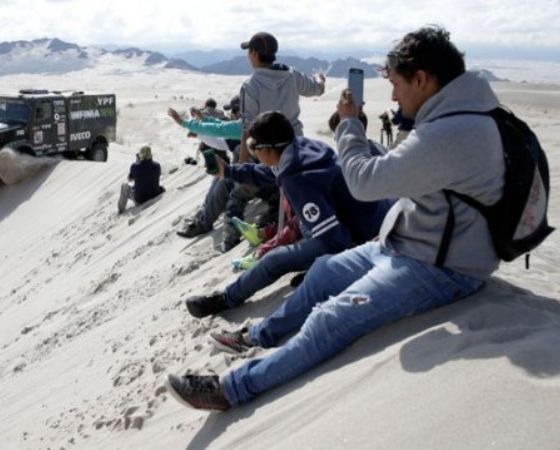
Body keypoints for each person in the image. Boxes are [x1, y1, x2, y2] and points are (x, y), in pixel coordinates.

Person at [165, 25, 505, 412]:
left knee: (331, 317)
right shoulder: (455, 116)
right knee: (323, 273)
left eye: (396, 84)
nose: (393, 95)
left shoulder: (452, 131)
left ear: (423, 79)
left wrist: (348, 123)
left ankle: (232, 388)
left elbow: (364, 182)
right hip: (406, 240)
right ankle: (256, 334)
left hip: (440, 264)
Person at [184, 111, 391, 318]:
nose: (253, 152)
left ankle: (226, 298)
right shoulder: (301, 148)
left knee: (275, 260)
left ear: (269, 149)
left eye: (253, 147)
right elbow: (269, 173)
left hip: (357, 233)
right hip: (364, 214)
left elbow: (333, 237)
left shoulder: (296, 178)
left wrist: (325, 269)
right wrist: (229, 172)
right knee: (299, 227)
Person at [171, 97, 279, 252]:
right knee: (224, 178)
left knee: (233, 192)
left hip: (265, 180)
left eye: (235, 112)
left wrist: (186, 123)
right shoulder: (252, 124)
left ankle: (227, 240)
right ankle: (204, 217)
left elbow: (220, 131)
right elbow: (221, 128)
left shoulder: (248, 126)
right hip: (260, 176)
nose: (233, 116)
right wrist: (203, 122)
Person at [238, 32, 326, 163]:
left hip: (267, 154)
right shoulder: (292, 75)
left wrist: (241, 170)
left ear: (254, 53)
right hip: (296, 147)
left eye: (249, 51)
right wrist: (320, 78)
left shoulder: (250, 86)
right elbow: (318, 89)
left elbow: (247, 130)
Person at [117, 145, 164, 214]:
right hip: (154, 195)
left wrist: (137, 162)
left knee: (124, 186)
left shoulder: (134, 166)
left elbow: (130, 179)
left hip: (140, 199)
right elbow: (156, 174)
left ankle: (121, 210)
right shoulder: (157, 165)